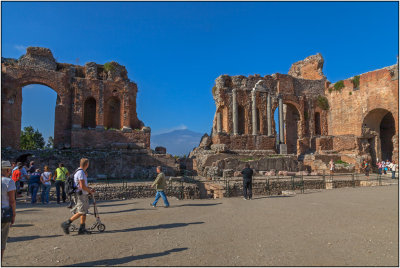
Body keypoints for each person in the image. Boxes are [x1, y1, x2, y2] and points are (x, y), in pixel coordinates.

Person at [61, 158, 95, 235]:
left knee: (84, 211)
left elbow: (81, 185)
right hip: (80, 195)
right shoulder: (81, 173)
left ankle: (82, 229)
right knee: (81, 211)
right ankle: (66, 223)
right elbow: (82, 186)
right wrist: (89, 191)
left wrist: (89, 189)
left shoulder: (79, 171)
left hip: (82, 194)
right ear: (87, 164)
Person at [1, 161, 16, 261]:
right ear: (6, 170)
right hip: (3, 213)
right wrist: (13, 214)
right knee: (1, 241)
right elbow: (12, 200)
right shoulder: (8, 181)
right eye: (9, 170)